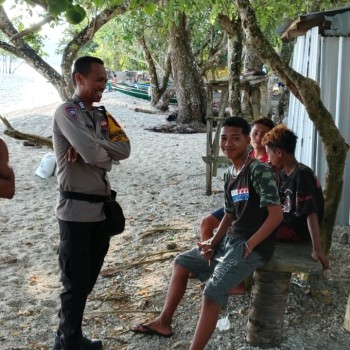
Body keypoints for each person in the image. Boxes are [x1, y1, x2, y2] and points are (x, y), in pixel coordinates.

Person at [130, 117, 282, 350]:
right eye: (223, 138)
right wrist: (213, 240)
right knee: (181, 262)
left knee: (212, 292)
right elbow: (229, 214)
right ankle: (163, 321)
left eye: (235, 138)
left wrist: (249, 246)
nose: (228, 143)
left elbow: (276, 216)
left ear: (246, 141)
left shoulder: (259, 171)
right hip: (231, 240)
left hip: (255, 246)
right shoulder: (229, 173)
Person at [52, 56, 131, 350]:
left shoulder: (101, 116)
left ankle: (71, 337)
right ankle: (67, 340)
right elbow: (92, 155)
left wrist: (95, 147)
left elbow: (125, 148)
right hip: (75, 214)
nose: (104, 84)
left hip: (100, 212)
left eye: (105, 79)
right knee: (74, 284)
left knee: (86, 281)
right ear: (79, 79)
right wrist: (94, 150)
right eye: (98, 79)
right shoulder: (66, 111)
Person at [262, 124, 329, 270]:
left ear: (279, 152)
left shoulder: (302, 175)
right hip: (285, 221)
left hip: (296, 230)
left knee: (251, 228)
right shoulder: (282, 173)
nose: (268, 160)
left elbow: (311, 213)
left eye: (269, 154)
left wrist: (317, 249)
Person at [200, 116, 275, 243]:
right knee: (206, 223)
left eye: (264, 134)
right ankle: (208, 255)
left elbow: (273, 210)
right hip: (237, 204)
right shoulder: (242, 157)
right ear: (250, 136)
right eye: (255, 133)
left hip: (253, 211)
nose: (258, 137)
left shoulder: (270, 162)